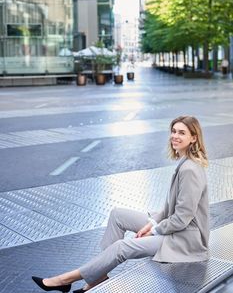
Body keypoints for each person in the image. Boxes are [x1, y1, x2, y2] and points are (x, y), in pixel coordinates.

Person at [32, 116, 209, 293]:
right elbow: (168, 207)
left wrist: (153, 231)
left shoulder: (190, 170)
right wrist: (151, 223)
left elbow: (182, 218)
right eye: (173, 131)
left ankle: (64, 280)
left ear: (194, 138)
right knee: (118, 215)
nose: (175, 136)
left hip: (185, 240)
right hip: (176, 230)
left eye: (182, 133)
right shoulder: (184, 163)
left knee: (121, 247)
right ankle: (99, 276)